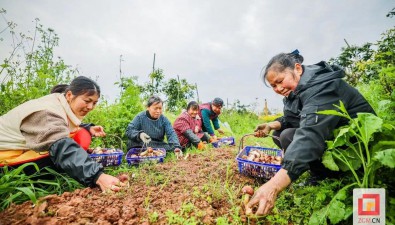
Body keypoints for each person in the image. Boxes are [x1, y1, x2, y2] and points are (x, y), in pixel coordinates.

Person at [248, 50, 375, 215]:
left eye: (280, 81)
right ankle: (322, 174)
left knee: (288, 136)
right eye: (273, 86)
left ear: (298, 69)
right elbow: (294, 118)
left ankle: (340, 179)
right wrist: (271, 125)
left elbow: (309, 134)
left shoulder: (322, 87)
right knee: (282, 133)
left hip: (358, 148)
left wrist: (274, 185)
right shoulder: (298, 90)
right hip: (337, 140)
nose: (278, 88)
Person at [0, 76, 126, 191]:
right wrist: (98, 176)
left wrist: (87, 128)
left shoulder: (57, 103)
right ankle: (33, 184)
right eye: (87, 101)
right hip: (5, 163)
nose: (90, 107)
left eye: (94, 103)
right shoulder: (46, 112)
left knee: (81, 135)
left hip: (17, 152)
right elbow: (61, 146)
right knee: (71, 145)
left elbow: (59, 127)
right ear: (70, 95)